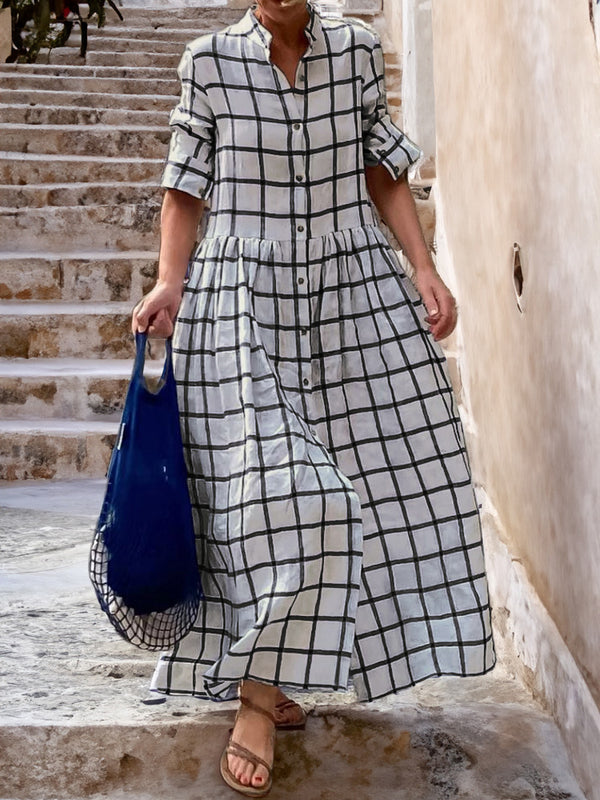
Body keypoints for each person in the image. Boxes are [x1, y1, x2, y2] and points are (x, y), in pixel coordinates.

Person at [131, 0, 496, 795]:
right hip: (243, 303)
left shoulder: (356, 51)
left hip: (351, 299)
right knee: (283, 493)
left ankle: (278, 669)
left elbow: (383, 172)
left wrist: (423, 267)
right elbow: (184, 187)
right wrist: (169, 281)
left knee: (387, 478)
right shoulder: (209, 61)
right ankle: (257, 700)